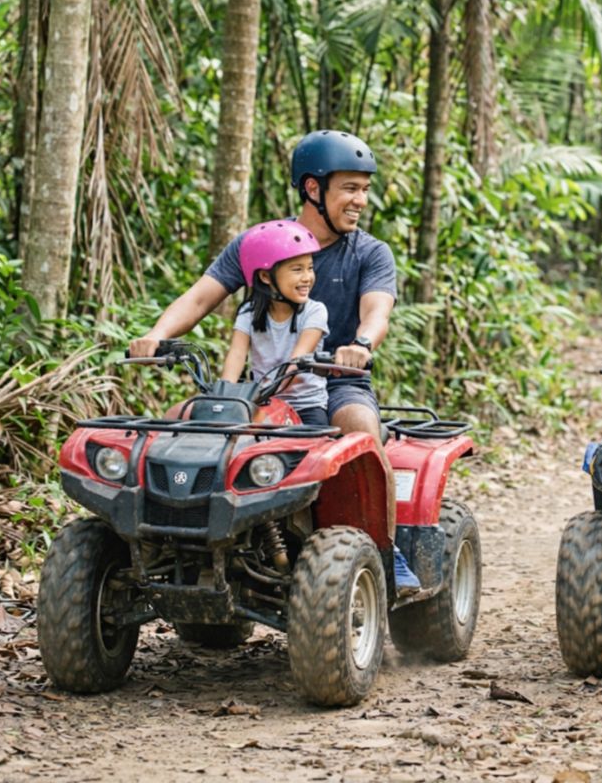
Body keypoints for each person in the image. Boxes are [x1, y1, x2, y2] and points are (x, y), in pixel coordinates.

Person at [129, 129, 421, 592]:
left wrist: (361, 344)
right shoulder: (263, 244)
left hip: (335, 378)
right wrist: (155, 335)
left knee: (360, 429)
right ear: (313, 188)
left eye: (365, 188)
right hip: (255, 387)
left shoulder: (369, 252)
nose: (361, 200)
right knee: (173, 428)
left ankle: (387, 550)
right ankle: (166, 543)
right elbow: (202, 296)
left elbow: (377, 309)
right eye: (350, 187)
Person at [221, 220, 330, 426]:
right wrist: (225, 394)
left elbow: (296, 365)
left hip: (305, 405)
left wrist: (260, 393)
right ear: (265, 276)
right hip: (262, 404)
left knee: (312, 451)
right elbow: (236, 355)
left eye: (310, 268)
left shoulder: (315, 312)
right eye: (297, 270)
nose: (308, 277)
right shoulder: (248, 313)